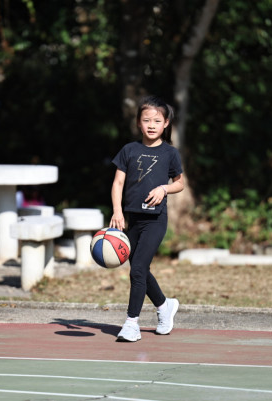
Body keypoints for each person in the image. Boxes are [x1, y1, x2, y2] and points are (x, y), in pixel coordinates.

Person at [109, 95, 184, 342]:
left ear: (166, 124)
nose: (151, 125)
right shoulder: (129, 150)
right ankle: (164, 306)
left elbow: (180, 184)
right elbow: (118, 182)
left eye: (157, 120)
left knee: (138, 268)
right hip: (131, 219)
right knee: (139, 269)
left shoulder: (170, 153)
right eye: (146, 120)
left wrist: (164, 188)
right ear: (139, 123)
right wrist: (117, 211)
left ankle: (132, 323)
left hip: (155, 220)